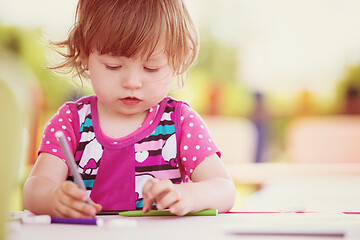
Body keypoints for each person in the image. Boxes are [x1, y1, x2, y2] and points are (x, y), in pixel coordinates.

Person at [23, 0, 236, 218]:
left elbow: (224, 189)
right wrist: (52, 198)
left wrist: (189, 195)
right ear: (85, 54)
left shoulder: (180, 121)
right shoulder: (71, 121)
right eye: (113, 66)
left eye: (151, 68)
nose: (132, 82)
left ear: (176, 61)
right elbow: (34, 188)